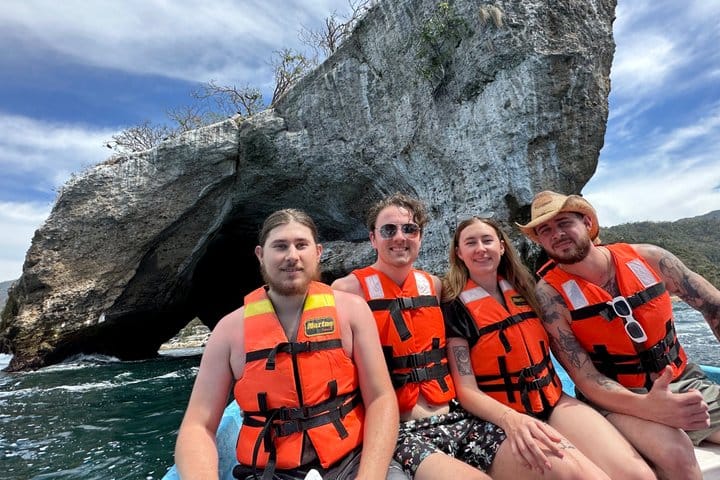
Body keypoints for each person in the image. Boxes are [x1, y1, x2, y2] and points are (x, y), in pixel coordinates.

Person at [332, 193, 593, 480]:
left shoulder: (434, 287)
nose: (400, 237)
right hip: (400, 431)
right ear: (373, 238)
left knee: (566, 470)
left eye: (409, 229)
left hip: (458, 417)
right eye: (388, 230)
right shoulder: (346, 291)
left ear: (420, 237)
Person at [174, 208, 404, 480]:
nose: (292, 256)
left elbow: (380, 398)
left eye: (301, 245)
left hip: (351, 462)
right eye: (280, 246)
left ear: (318, 252)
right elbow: (198, 426)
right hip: (269, 472)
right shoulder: (228, 331)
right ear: (260, 255)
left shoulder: (353, 311)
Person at [518, 189, 720, 479]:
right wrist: (649, 407)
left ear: (587, 222)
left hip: (683, 381)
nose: (557, 234)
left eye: (564, 223)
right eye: (545, 230)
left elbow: (713, 306)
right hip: (619, 398)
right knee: (676, 454)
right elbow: (586, 378)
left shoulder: (650, 258)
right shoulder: (550, 297)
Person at [442, 215, 655, 479]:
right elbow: (465, 390)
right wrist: (512, 419)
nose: (481, 249)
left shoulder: (525, 290)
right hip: (502, 413)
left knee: (638, 475)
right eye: (471, 243)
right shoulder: (454, 306)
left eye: (487, 240)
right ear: (459, 253)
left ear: (502, 246)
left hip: (553, 400)